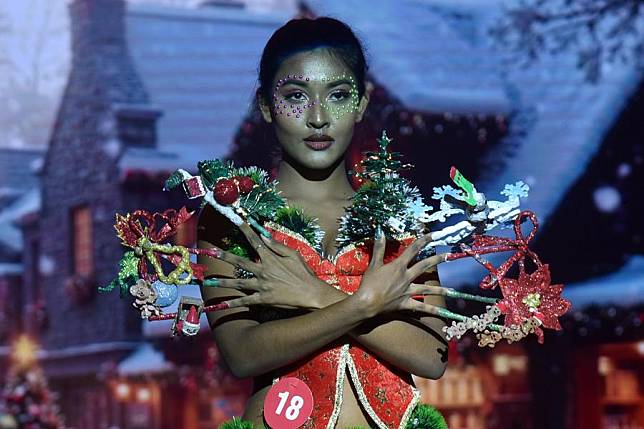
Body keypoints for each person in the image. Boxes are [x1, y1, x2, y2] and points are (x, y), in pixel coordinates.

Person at [197, 17, 449, 429]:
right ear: (265, 104)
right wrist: (365, 305)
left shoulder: (398, 217)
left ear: (361, 103)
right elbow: (243, 353)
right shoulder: (234, 217)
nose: (318, 117)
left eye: (338, 95)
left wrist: (314, 294)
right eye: (296, 96)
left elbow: (429, 355)